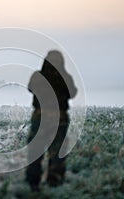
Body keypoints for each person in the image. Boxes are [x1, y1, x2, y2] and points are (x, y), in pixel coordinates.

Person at [25, 50, 77, 191]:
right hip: (59, 117)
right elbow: (73, 93)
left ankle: (33, 183)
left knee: (35, 149)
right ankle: (55, 183)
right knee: (57, 151)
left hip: (40, 116)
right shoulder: (66, 77)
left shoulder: (37, 76)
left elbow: (30, 88)